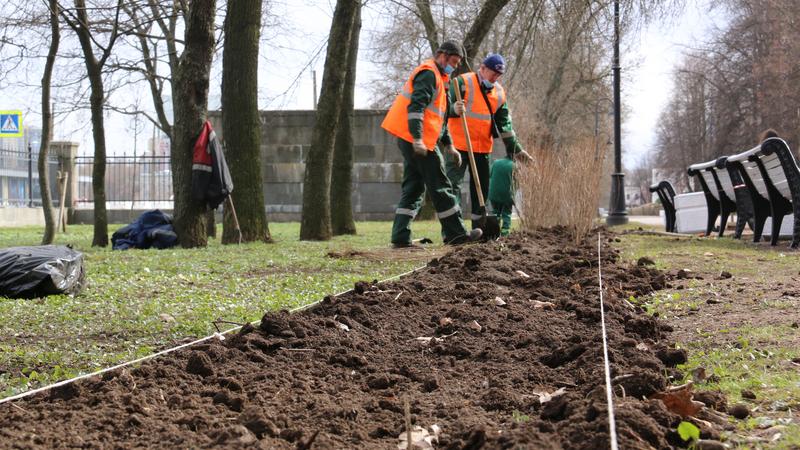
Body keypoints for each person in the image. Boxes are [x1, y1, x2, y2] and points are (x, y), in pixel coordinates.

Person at [381, 41, 483, 248]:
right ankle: (457, 235)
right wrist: (418, 138)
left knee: (413, 188)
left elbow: (439, 119)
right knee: (441, 186)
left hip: (414, 140)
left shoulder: (440, 79)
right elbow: (416, 107)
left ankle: (400, 237)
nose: (455, 66)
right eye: (453, 61)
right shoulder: (429, 74)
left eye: (457, 63)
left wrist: (449, 145)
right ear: (442, 56)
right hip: (420, 142)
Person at [446, 53, 532, 229]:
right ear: (483, 68)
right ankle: (454, 230)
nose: (495, 78)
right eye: (493, 73)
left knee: (481, 191)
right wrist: (453, 109)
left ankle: (479, 228)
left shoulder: (499, 93)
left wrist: (517, 150)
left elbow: (505, 125)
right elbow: (442, 107)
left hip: (482, 148)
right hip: (459, 145)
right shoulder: (462, 82)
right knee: (453, 186)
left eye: (499, 75)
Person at [488, 155, 516, 236]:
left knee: (496, 213)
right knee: (506, 214)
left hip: (494, 194)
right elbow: (517, 182)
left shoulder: (496, 163)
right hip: (507, 195)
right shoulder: (514, 166)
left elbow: (490, 175)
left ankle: (494, 233)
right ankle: (505, 233)